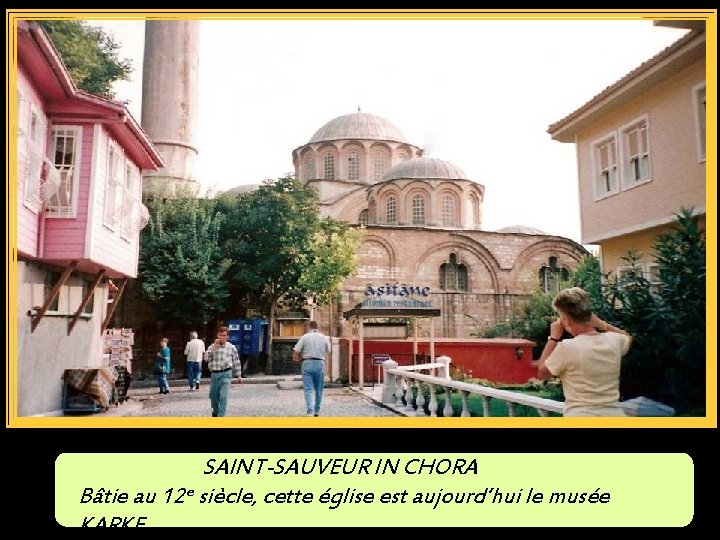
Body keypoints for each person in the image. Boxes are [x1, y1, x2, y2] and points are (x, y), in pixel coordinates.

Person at [537, 286, 632, 417]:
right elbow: (628, 338)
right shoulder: (613, 340)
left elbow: (542, 373)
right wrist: (601, 323)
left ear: (566, 319)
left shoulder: (567, 348)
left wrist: (553, 338)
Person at [292, 320, 331, 417]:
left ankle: (310, 411)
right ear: (318, 327)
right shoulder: (324, 338)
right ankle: (317, 411)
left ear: (309, 327)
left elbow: (296, 351)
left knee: (308, 388)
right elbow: (329, 351)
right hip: (319, 363)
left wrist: (296, 358)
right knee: (319, 388)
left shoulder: (305, 337)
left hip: (307, 362)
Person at [204, 326, 242, 417]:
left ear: (227, 336)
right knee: (214, 397)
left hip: (226, 373)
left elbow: (236, 361)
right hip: (215, 374)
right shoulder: (212, 346)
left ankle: (221, 417)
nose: (222, 337)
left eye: (224, 335)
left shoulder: (231, 347)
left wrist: (239, 375)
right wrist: (214, 349)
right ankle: (215, 412)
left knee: (223, 397)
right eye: (220, 335)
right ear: (217, 335)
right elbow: (205, 359)